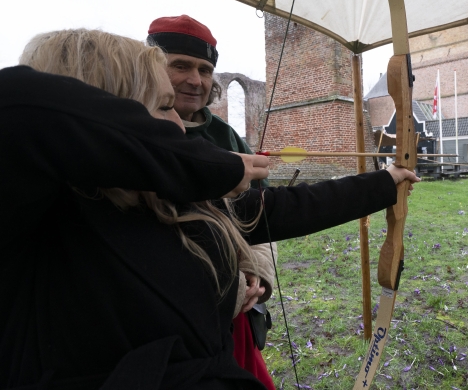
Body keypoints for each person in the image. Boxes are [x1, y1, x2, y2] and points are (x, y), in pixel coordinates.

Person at [0, 29, 418, 389]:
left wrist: (384, 183)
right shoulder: (42, 218)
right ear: (112, 115)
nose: (182, 126)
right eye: (163, 107)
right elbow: (20, 104)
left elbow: (287, 207)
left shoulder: (167, 200)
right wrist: (200, 165)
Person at [148, 14, 275, 386]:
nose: (195, 80)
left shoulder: (227, 137)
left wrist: (259, 277)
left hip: (236, 310)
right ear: (153, 67)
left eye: (205, 70)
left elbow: (262, 213)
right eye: (180, 66)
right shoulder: (133, 129)